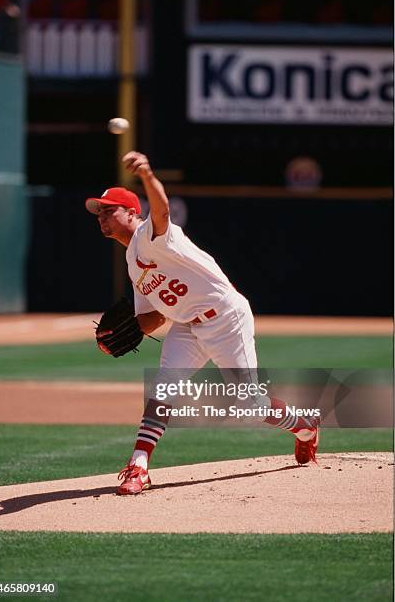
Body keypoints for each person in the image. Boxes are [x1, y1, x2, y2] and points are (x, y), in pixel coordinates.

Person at [85, 151, 320, 495]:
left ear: (132, 212)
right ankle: (139, 467)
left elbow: (162, 209)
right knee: (163, 389)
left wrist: (148, 174)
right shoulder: (132, 262)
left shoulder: (152, 234)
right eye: (99, 212)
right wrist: (121, 334)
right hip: (187, 327)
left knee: (251, 406)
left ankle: (306, 426)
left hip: (225, 318)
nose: (102, 216)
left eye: (109, 209)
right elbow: (153, 317)